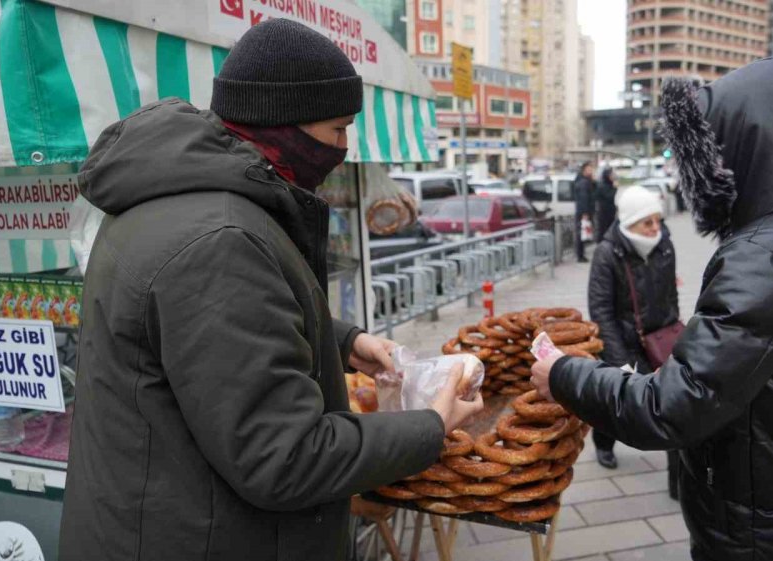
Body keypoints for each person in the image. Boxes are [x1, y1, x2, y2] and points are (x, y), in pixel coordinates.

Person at [59, 20, 482, 561]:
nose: (343, 149)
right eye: (336, 129)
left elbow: (209, 331)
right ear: (283, 124)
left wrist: (342, 341)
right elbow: (284, 457)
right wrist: (429, 426)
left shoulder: (175, 203)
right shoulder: (219, 238)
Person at [532, 58, 773, 561]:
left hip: (763, 520)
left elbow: (669, 407)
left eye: (708, 149)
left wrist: (564, 375)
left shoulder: (767, 255)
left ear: (744, 145)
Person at [587, 186, 680, 497]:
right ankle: (603, 442)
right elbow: (601, 311)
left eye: (658, 220)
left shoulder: (665, 244)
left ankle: (678, 482)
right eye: (647, 223)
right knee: (616, 403)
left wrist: (675, 334)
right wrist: (618, 357)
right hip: (624, 341)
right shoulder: (607, 253)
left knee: (673, 407)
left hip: (661, 340)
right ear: (629, 223)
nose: (656, 229)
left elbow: (670, 294)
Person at [574, 161, 596, 262]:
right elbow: (583, 198)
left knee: (583, 233)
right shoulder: (583, 182)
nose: (591, 171)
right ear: (584, 170)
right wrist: (585, 213)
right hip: (583, 213)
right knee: (581, 233)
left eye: (592, 169)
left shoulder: (586, 181)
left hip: (584, 211)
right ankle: (580, 255)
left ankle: (581, 254)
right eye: (589, 169)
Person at [594, 167, 619, 242]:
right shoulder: (603, 185)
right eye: (611, 175)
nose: (613, 176)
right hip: (604, 213)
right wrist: (615, 188)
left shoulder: (609, 185)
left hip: (610, 212)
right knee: (603, 231)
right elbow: (609, 197)